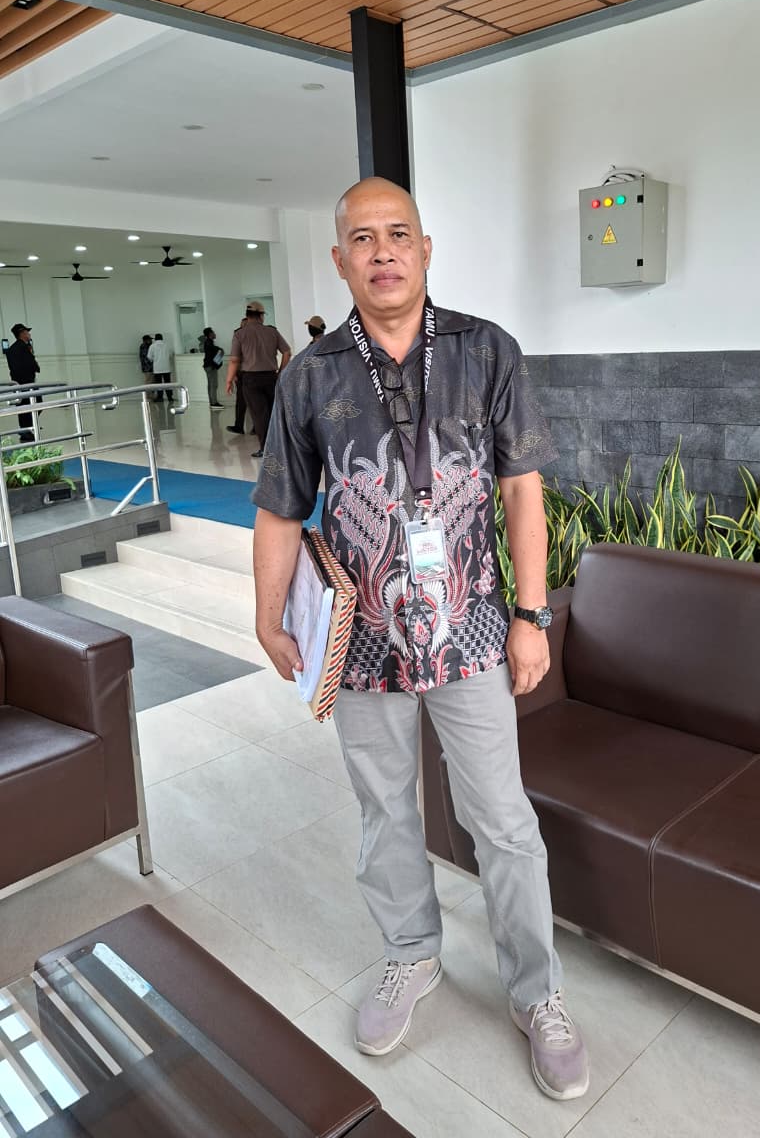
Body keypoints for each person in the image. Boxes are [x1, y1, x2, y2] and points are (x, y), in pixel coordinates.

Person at [251, 177, 589, 1102]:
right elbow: (279, 508)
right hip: (363, 645)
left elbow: (522, 491)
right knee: (384, 812)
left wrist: (531, 616)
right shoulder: (310, 376)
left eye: (398, 233)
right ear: (340, 260)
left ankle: (537, 992)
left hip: (472, 629)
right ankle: (411, 951)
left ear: (426, 248)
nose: (383, 252)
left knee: (502, 820)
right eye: (363, 239)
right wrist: (267, 614)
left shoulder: (487, 351)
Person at [225, 303, 290, 457]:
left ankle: (266, 449)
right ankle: (282, 447)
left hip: (251, 379)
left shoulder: (240, 334)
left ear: (247, 316)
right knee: (274, 413)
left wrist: (229, 380)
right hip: (271, 377)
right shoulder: (272, 332)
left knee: (259, 415)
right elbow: (287, 352)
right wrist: (281, 372)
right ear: (261, 316)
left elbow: (234, 360)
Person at [6, 323, 40, 442]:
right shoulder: (21, 348)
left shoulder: (13, 349)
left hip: (19, 383)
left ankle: (26, 430)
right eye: (27, 332)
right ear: (22, 334)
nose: (29, 334)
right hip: (26, 382)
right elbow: (27, 364)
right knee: (36, 403)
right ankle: (26, 430)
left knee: (23, 407)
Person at [202, 327, 224, 407]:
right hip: (211, 367)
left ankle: (212, 402)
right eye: (213, 332)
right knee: (213, 385)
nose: (215, 334)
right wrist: (220, 349)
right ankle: (214, 403)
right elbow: (213, 352)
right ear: (210, 334)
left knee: (210, 385)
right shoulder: (209, 343)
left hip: (208, 366)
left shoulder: (208, 343)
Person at [146, 333, 173, 401]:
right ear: (162, 338)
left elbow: (149, 357)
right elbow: (170, 355)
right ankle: (170, 397)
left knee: (158, 383)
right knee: (168, 383)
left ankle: (160, 397)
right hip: (166, 367)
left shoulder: (152, 346)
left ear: (155, 339)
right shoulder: (167, 345)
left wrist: (154, 359)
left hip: (157, 368)